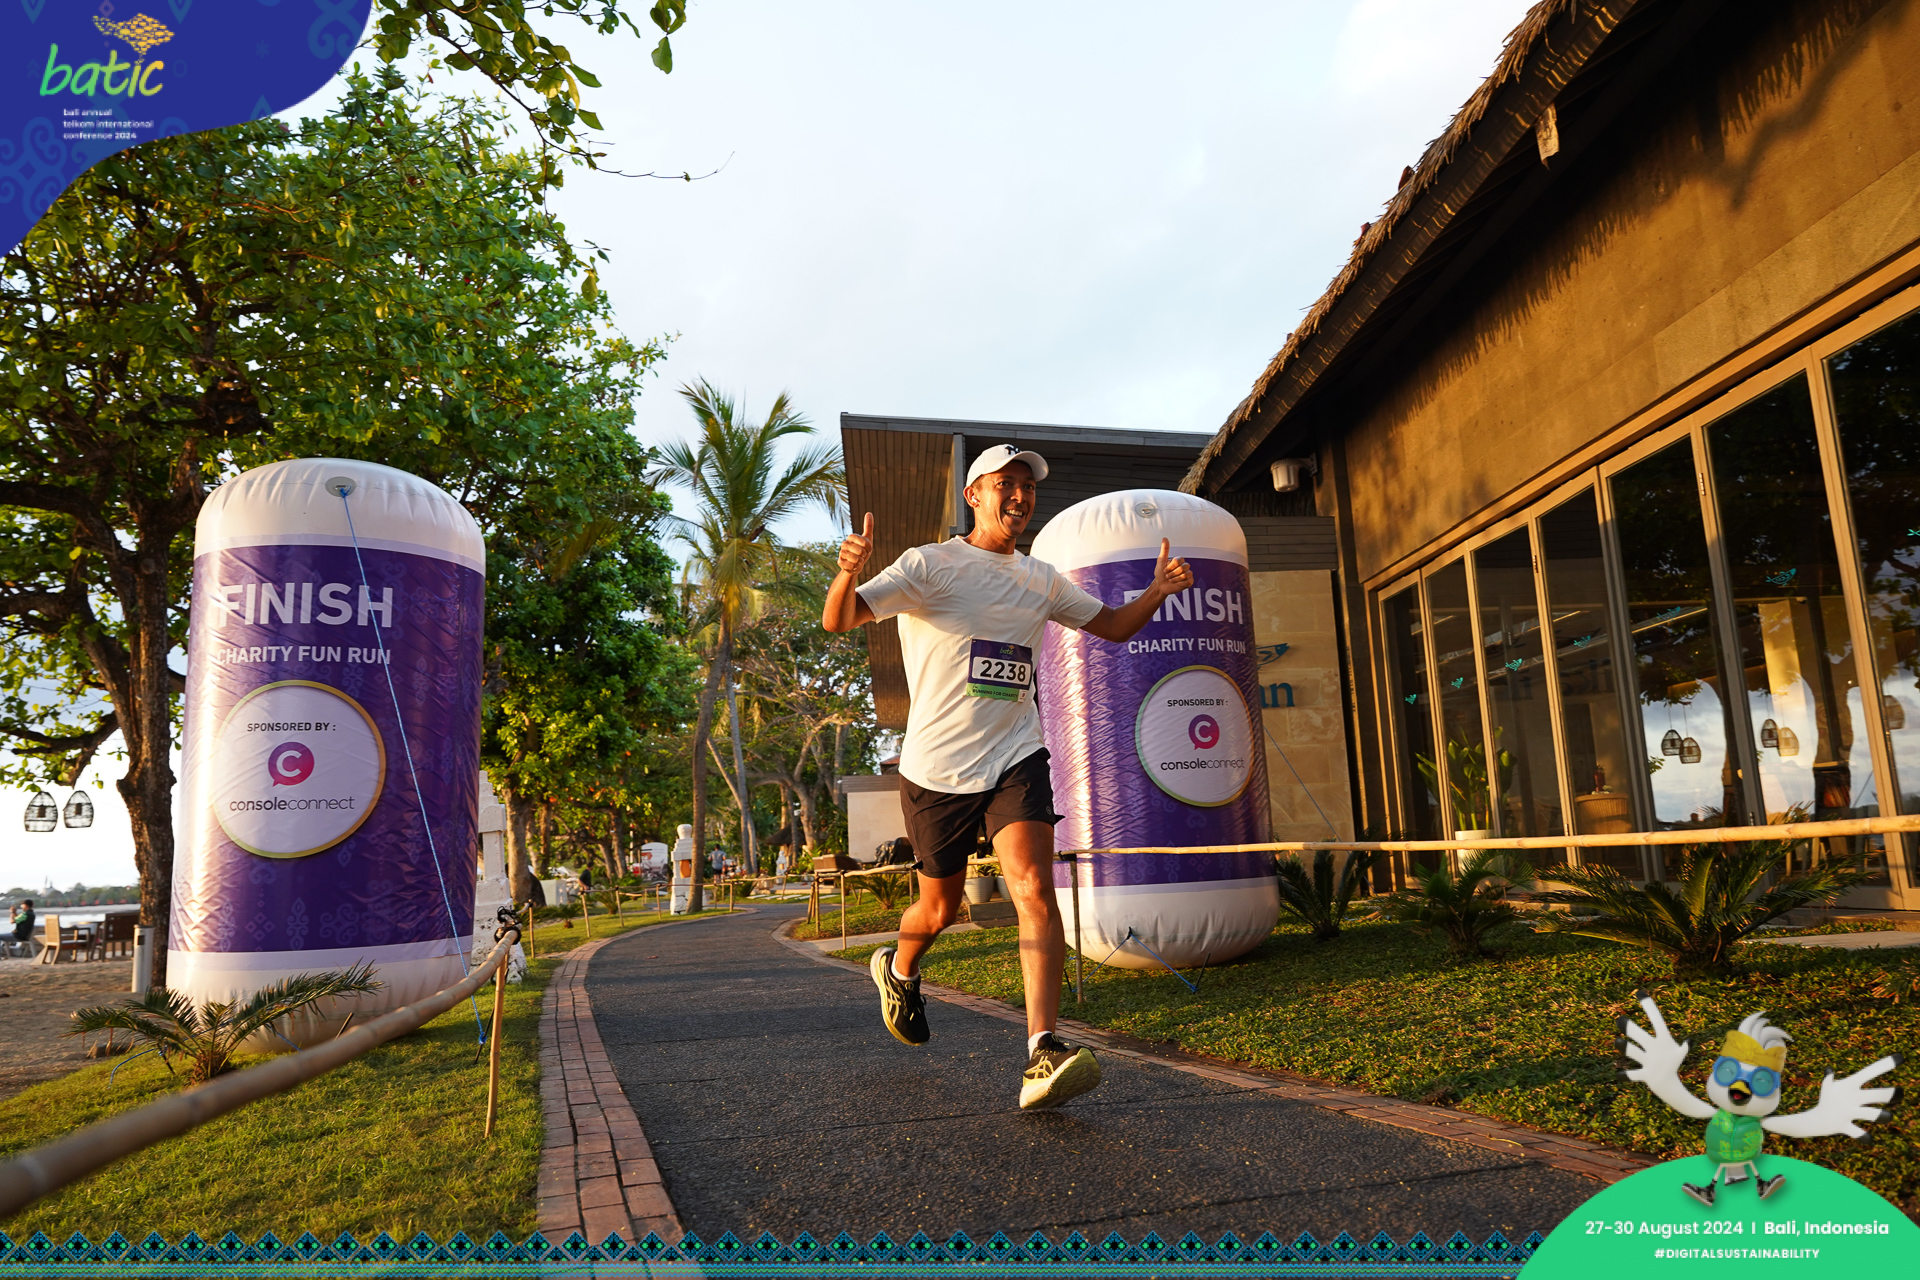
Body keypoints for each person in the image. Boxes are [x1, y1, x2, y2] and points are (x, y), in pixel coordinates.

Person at [823, 442, 1193, 1109]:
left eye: (1028, 486)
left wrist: (1158, 593)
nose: (1019, 496)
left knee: (1032, 888)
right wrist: (848, 572)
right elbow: (839, 619)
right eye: (1005, 483)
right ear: (974, 494)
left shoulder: (1041, 580)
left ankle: (1042, 1049)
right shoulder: (929, 565)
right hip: (936, 768)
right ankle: (899, 969)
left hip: (1015, 754)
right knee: (938, 908)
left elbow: (1112, 627)